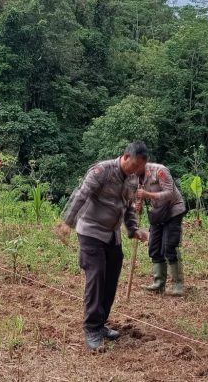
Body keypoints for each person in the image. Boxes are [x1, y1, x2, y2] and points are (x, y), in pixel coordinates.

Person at [56, 141, 150, 351]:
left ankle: (100, 324)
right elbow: (82, 194)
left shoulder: (133, 179)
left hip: (111, 235)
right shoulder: (102, 171)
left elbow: (129, 208)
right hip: (91, 231)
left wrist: (133, 230)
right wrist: (67, 223)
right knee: (96, 276)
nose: (135, 171)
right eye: (133, 165)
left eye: (139, 168)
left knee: (111, 278)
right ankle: (91, 328)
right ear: (125, 156)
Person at [135, 162, 187, 296]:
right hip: (157, 213)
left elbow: (169, 193)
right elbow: (138, 197)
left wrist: (147, 194)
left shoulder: (159, 171)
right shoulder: (135, 177)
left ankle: (178, 284)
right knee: (154, 247)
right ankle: (159, 283)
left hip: (173, 210)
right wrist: (138, 205)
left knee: (169, 246)